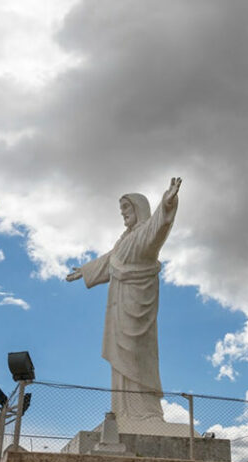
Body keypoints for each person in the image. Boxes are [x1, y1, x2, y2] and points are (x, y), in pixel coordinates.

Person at [66, 177, 181, 423]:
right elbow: (110, 260)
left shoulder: (144, 235)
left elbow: (158, 228)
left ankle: (146, 413)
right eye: (121, 211)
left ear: (139, 210)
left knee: (138, 357)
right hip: (119, 308)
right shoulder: (124, 241)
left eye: (126, 209)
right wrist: (85, 271)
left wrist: (167, 205)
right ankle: (123, 411)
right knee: (120, 361)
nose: (123, 215)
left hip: (137, 306)